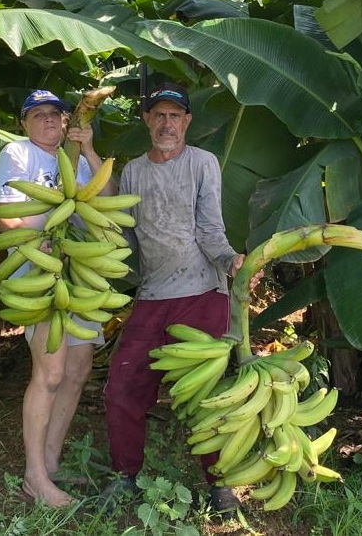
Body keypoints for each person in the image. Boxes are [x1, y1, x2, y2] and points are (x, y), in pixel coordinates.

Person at [99, 82, 260, 518]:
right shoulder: (133, 171)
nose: (167, 123)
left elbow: (209, 227)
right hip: (152, 294)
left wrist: (229, 260)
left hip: (202, 293)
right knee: (124, 387)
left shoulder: (202, 163)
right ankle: (124, 475)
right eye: (159, 115)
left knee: (208, 394)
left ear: (187, 122)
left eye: (175, 116)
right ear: (147, 121)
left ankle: (220, 486)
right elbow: (128, 233)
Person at [0, 89, 114, 508]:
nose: (48, 121)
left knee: (79, 369)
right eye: (38, 115)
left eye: (55, 115)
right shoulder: (17, 153)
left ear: (66, 121)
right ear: (25, 123)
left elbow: (107, 197)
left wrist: (90, 151)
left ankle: (52, 463)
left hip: (79, 271)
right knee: (50, 374)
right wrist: (36, 245)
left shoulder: (76, 160)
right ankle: (34, 477)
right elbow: (5, 211)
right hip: (39, 275)